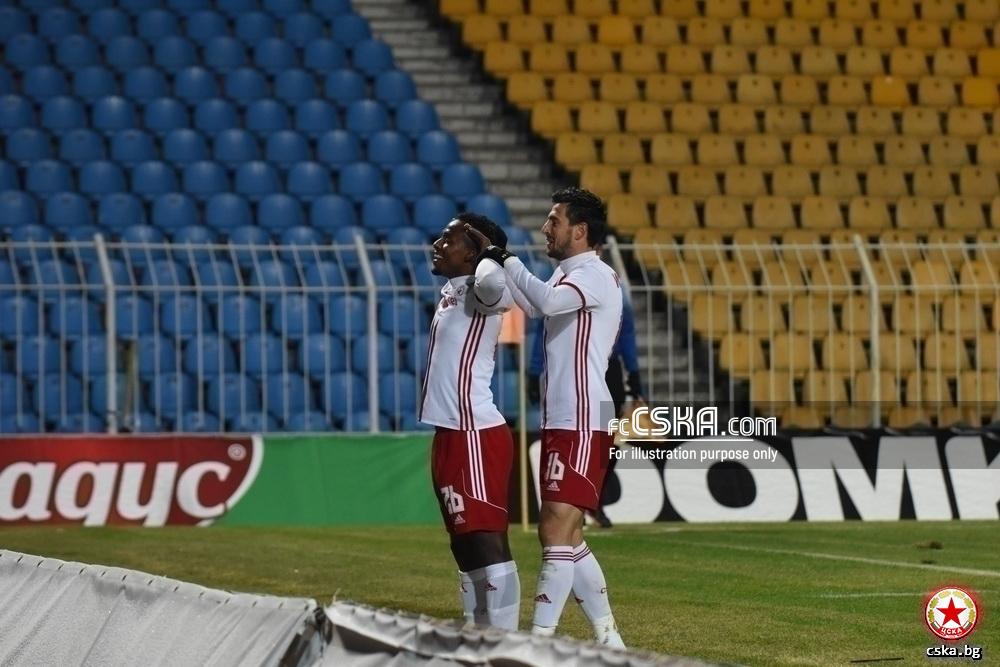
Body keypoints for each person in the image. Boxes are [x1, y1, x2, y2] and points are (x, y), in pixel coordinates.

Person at [466, 187, 625, 648]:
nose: (545, 228)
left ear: (579, 231)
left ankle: (540, 641)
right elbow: (537, 305)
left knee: (555, 527)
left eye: (554, 220)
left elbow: (550, 304)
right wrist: (496, 262)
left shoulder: (595, 275)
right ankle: (608, 637)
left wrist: (506, 259)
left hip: (582, 416)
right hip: (566, 417)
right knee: (567, 536)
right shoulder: (567, 275)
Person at [420, 212, 520, 631]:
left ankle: (505, 644)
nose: (437, 244)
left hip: (475, 431)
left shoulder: (486, 291)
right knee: (462, 544)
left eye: (449, 239)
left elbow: (498, 287)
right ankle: (477, 636)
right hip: (449, 432)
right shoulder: (453, 290)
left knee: (486, 541)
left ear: (474, 250)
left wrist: (490, 254)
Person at [527, 288, 643, 528]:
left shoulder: (616, 295)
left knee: (608, 442)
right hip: (572, 367)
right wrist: (535, 370)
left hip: (608, 369)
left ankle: (594, 499)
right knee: (573, 434)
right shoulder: (561, 290)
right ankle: (573, 500)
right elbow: (544, 330)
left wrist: (633, 373)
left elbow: (627, 335)